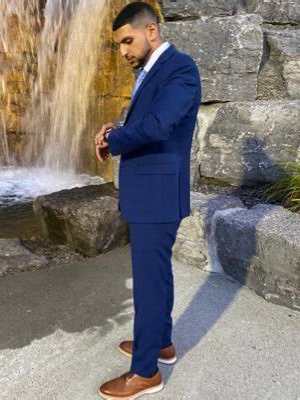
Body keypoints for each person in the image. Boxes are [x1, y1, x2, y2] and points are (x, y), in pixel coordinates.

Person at [94, 2, 201, 398]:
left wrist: (113, 139)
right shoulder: (154, 70)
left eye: (127, 41)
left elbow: (159, 125)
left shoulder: (180, 68)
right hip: (151, 193)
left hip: (157, 196)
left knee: (148, 285)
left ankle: (145, 374)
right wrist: (119, 128)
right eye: (119, 44)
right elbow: (150, 120)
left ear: (151, 30)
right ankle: (161, 344)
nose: (123, 51)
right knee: (157, 275)